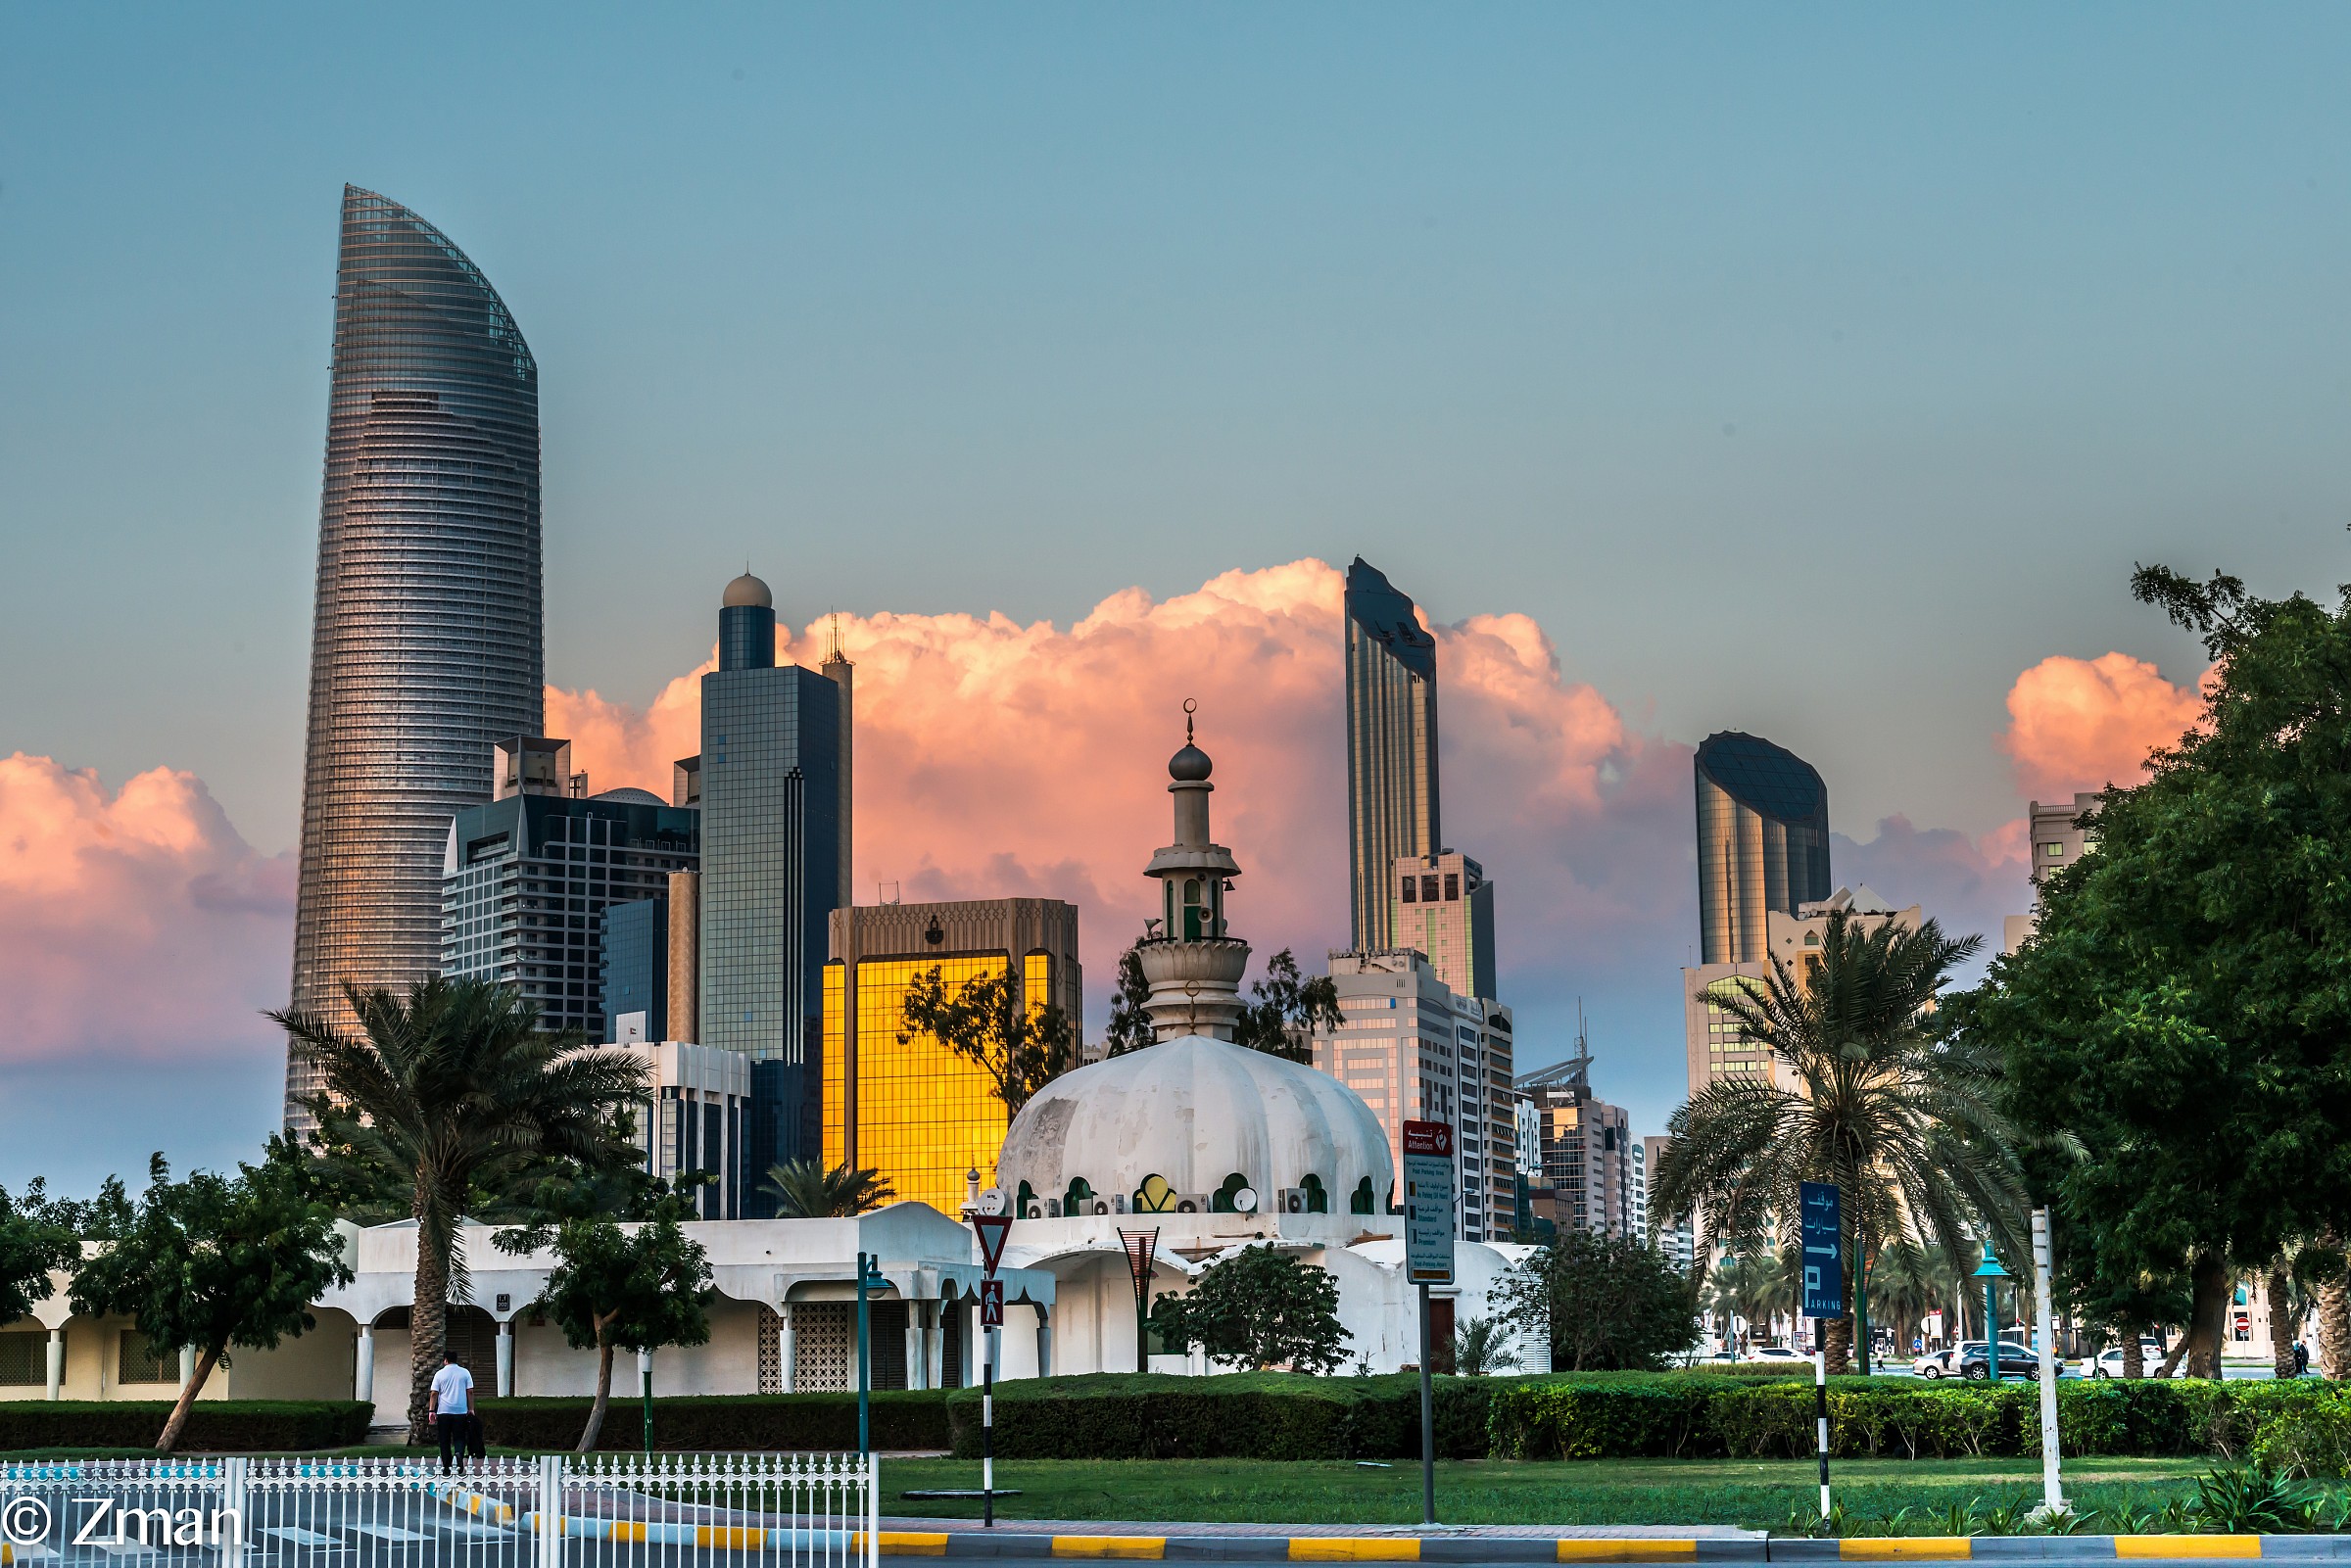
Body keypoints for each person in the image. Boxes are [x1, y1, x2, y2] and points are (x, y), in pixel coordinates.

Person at [427, 1348, 480, 1475]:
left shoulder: (439, 1374)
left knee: (444, 1439)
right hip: (460, 1412)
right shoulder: (465, 1373)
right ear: (456, 1360)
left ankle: (446, 1466)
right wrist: (471, 1408)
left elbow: (434, 1393)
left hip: (443, 1412)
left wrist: (431, 1410)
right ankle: (459, 1454)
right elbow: (470, 1391)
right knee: (459, 1437)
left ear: (445, 1360)